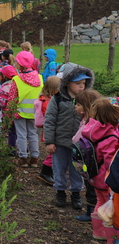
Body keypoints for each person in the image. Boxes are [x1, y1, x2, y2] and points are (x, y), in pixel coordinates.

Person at [44, 65, 94, 209]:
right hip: (59, 143)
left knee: (77, 170)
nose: (81, 87)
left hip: (79, 145)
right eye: (78, 84)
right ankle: (60, 192)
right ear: (67, 83)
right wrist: (49, 141)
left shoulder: (86, 100)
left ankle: (76, 193)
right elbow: (50, 120)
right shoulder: (58, 99)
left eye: (84, 84)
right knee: (59, 168)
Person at [81, 98, 119, 242]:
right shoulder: (111, 137)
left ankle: (98, 232)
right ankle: (111, 238)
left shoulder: (91, 130)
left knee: (100, 203)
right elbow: (111, 162)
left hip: (93, 176)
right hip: (106, 180)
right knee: (111, 212)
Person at [4, 51, 43, 167]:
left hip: (20, 112)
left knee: (21, 135)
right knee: (33, 134)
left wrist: (8, 114)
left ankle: (23, 158)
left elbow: (12, 98)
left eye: (16, 62)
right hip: (34, 112)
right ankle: (35, 158)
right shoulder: (40, 78)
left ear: (20, 64)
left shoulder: (17, 79)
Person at [71, 89, 104, 224]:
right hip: (92, 160)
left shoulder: (90, 122)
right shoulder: (92, 120)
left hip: (92, 161)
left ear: (86, 105)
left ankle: (92, 213)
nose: (75, 106)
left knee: (91, 186)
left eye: (78, 104)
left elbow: (78, 137)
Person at [35, 76, 61, 186]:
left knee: (55, 151)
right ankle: (45, 172)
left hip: (51, 130)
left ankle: (49, 172)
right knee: (54, 152)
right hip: (52, 130)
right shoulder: (49, 102)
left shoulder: (46, 99)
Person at [0, 65, 18, 153]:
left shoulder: (5, 87)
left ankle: (11, 150)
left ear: (3, 76)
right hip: (18, 112)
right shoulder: (16, 84)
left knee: (12, 133)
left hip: (8, 113)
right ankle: (25, 149)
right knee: (20, 133)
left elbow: (2, 102)